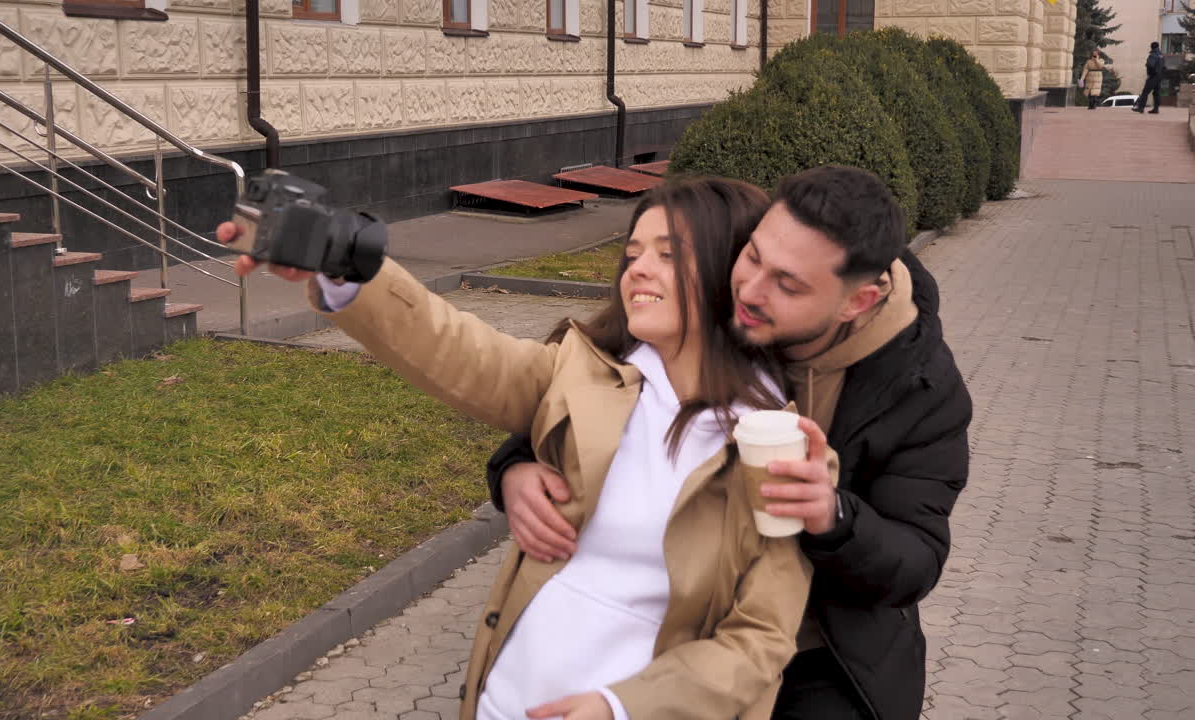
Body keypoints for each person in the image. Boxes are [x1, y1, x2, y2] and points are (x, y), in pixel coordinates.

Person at [216, 178, 820, 720]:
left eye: (669, 254)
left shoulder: (774, 443)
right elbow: (457, 350)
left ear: (729, 274)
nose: (639, 268)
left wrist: (621, 707)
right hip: (502, 701)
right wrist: (343, 263)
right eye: (633, 252)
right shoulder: (584, 373)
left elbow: (759, 640)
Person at [486, 166, 972, 720]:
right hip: (679, 617)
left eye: (788, 285)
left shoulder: (921, 391)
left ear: (855, 303)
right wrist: (514, 465)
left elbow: (915, 560)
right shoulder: (731, 294)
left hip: (823, 648)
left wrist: (832, 516)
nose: (750, 289)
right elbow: (597, 378)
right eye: (753, 256)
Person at [1133, 41, 1164, 114]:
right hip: (1159, 76)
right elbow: (1164, 66)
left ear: (1151, 47)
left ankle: (1140, 108)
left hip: (1153, 76)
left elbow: (1151, 65)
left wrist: (1147, 65)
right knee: (1156, 93)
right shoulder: (1161, 55)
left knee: (1145, 92)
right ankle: (1156, 109)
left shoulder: (1153, 55)